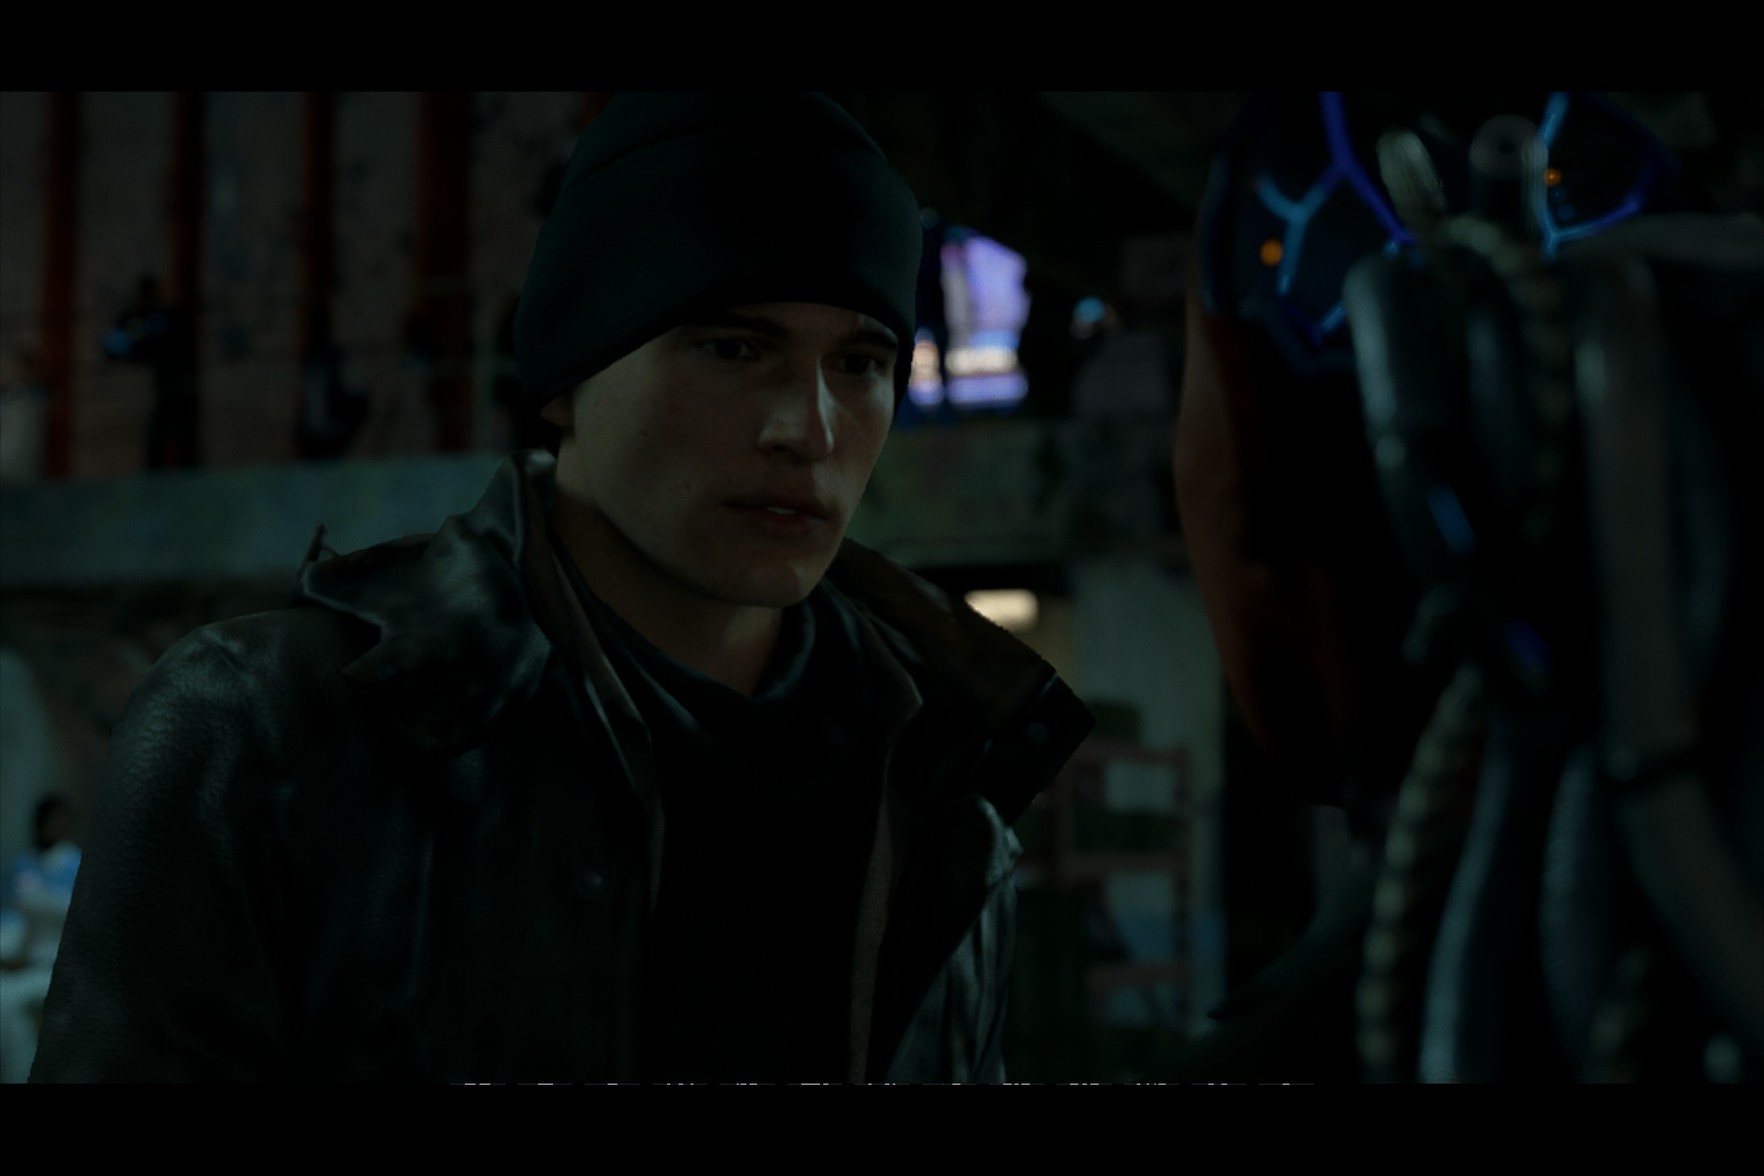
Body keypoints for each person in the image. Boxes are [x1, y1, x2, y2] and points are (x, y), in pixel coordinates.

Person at [31, 91, 1095, 1084]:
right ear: (566, 378)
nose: (806, 429)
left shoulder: (941, 792)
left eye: (859, 364)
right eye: (733, 348)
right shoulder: (267, 734)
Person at [0, 796, 80, 1084]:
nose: (54, 826)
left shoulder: (76, 864)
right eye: (49, 820)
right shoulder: (22, 866)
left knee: (11, 1005)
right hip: (22, 959)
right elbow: (10, 919)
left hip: (58, 964)